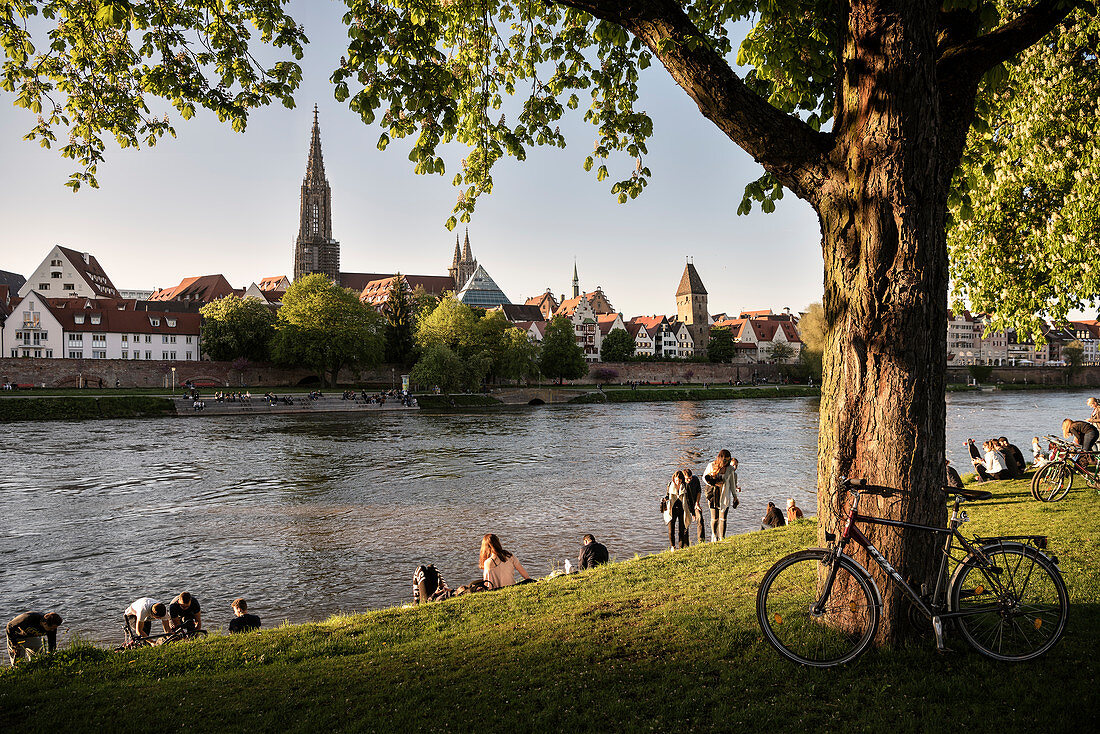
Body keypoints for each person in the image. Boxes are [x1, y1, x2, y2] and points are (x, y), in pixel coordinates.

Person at [703, 450, 739, 542]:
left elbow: (732, 483)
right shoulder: (711, 465)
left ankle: (722, 538)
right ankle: (714, 536)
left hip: (725, 495)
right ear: (720, 459)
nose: (726, 462)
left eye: (728, 460)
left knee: (723, 518)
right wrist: (714, 483)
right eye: (725, 460)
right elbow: (704, 478)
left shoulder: (730, 469)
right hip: (713, 494)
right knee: (714, 518)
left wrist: (735, 496)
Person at [663, 470, 690, 550]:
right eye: (676, 480)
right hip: (672, 509)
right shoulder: (670, 485)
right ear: (674, 479)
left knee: (682, 529)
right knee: (671, 530)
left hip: (682, 509)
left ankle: (681, 547)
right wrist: (665, 499)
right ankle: (673, 547)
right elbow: (667, 496)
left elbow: (690, 499)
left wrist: (693, 512)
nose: (677, 482)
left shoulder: (685, 486)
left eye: (679, 480)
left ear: (682, 479)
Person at [683, 469, 706, 543]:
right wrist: (691, 513)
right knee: (685, 523)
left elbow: (699, 491)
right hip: (685, 505)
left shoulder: (695, 479)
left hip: (695, 503)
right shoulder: (682, 483)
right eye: (687, 479)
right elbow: (686, 498)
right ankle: (685, 544)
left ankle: (701, 541)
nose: (689, 480)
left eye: (690, 478)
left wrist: (697, 503)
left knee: (700, 519)